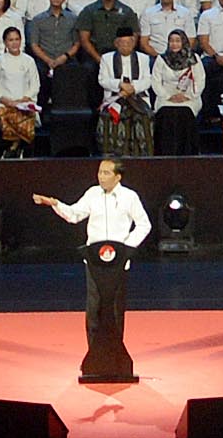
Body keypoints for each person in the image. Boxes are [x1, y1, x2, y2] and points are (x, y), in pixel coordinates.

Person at [36, 157, 151, 384]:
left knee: (116, 310)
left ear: (118, 177)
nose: (101, 176)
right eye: (100, 172)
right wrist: (55, 204)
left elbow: (144, 224)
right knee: (94, 309)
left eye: (107, 173)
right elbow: (74, 214)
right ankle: (95, 355)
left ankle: (116, 356)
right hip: (95, 263)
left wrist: (127, 248)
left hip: (118, 263)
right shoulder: (92, 194)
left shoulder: (130, 197)